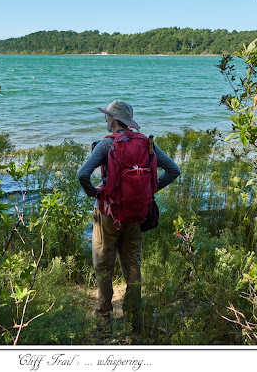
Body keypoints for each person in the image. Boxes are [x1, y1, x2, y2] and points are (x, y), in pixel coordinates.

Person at [76, 99, 180, 331]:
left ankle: (104, 316)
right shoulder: (147, 144)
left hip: (107, 214)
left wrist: (94, 193)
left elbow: (82, 174)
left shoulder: (106, 145)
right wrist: (151, 188)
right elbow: (174, 170)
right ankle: (134, 316)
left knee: (104, 266)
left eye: (107, 116)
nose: (105, 119)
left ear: (114, 120)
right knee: (133, 264)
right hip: (136, 214)